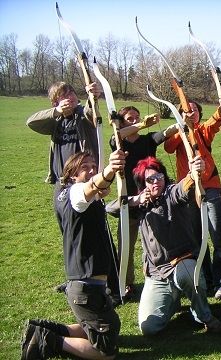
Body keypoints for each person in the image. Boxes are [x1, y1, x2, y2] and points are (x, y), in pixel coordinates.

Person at [21, 149, 126, 360]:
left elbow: (93, 189)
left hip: (83, 282)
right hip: (86, 288)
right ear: (72, 174)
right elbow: (87, 190)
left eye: (93, 166)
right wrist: (108, 170)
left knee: (111, 326)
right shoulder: (77, 192)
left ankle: (42, 328)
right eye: (84, 167)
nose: (90, 170)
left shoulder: (64, 191)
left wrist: (105, 184)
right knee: (106, 351)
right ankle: (48, 340)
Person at [26, 81, 121, 301]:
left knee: (100, 236)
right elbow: (31, 122)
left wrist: (93, 97)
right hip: (62, 184)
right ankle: (75, 279)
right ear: (55, 101)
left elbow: (93, 114)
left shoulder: (82, 114)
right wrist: (57, 111)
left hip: (86, 183)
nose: (68, 96)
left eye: (70, 92)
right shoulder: (55, 120)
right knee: (69, 234)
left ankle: (114, 286)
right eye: (62, 94)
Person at [129, 156, 221, 335]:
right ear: (142, 183)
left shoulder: (171, 192)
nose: (157, 182)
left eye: (160, 177)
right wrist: (136, 200)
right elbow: (112, 208)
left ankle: (203, 315)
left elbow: (183, 188)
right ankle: (173, 299)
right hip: (157, 273)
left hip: (182, 263)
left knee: (187, 273)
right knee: (149, 328)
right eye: (150, 179)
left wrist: (193, 173)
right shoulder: (139, 204)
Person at [164, 98, 221, 300]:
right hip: (188, 190)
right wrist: (182, 126)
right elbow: (169, 147)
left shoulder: (203, 131)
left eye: (194, 110)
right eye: (187, 110)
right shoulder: (179, 134)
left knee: (218, 236)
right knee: (197, 240)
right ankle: (206, 280)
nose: (191, 112)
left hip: (210, 188)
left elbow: (215, 121)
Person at [108, 106, 178, 300]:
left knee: (163, 242)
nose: (135, 121)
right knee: (126, 246)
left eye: (137, 117)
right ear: (121, 122)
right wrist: (141, 124)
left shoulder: (147, 140)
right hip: (130, 202)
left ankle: (167, 276)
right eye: (130, 118)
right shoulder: (118, 142)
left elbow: (165, 133)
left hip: (151, 203)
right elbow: (117, 135)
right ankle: (127, 283)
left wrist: (180, 122)